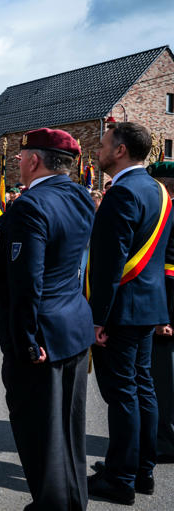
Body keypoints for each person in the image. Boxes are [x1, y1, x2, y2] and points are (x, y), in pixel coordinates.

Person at [0, 128, 95, 510]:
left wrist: (27, 342)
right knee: (69, 433)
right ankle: (71, 502)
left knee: (39, 437)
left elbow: (25, 284)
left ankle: (52, 505)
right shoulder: (81, 195)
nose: (18, 162)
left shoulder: (30, 206)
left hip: (42, 339)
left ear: (35, 161)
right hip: (74, 330)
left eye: (22, 157)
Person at [85, 122, 172, 505]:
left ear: (120, 151)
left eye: (103, 144)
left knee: (123, 396)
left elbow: (108, 263)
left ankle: (120, 478)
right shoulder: (159, 190)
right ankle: (142, 470)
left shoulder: (121, 194)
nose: (98, 150)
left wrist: (97, 317)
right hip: (148, 306)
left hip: (120, 311)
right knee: (143, 391)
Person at [148, 160, 174, 463]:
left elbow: (169, 270)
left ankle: (166, 442)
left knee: (165, 381)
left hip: (168, 310)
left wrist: (165, 317)